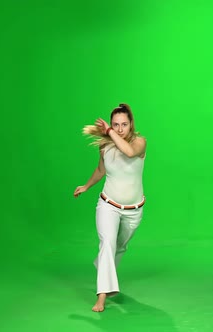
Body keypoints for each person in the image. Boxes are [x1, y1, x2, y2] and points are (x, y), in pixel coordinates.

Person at [73, 103, 147, 312]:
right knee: (107, 244)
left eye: (124, 124)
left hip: (134, 210)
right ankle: (102, 297)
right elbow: (100, 169)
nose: (120, 129)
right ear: (111, 125)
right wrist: (86, 186)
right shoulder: (105, 146)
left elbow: (130, 153)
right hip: (108, 205)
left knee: (119, 246)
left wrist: (108, 132)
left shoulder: (140, 143)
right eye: (116, 125)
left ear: (131, 124)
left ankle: (103, 268)